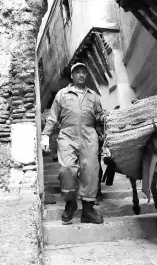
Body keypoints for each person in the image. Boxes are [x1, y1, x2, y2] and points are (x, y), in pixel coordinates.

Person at [41, 63, 106, 225]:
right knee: (67, 169)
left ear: (87, 76)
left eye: (84, 72)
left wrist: (104, 121)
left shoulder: (94, 96)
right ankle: (70, 204)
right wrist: (45, 135)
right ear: (72, 75)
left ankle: (88, 210)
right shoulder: (62, 94)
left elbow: (100, 116)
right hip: (67, 135)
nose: (81, 75)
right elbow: (53, 117)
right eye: (78, 72)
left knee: (90, 171)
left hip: (89, 136)